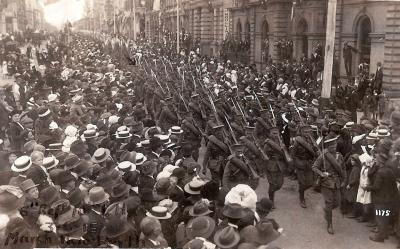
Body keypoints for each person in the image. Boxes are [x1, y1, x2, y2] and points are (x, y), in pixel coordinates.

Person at [312, 134, 345, 234]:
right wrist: (322, 174)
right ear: (328, 147)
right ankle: (329, 224)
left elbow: (343, 169)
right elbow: (314, 167)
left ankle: (327, 211)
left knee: (337, 202)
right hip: (326, 183)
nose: (334, 148)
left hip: (337, 182)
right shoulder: (323, 156)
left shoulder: (340, 156)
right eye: (332, 146)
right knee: (329, 203)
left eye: (335, 146)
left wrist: (344, 180)